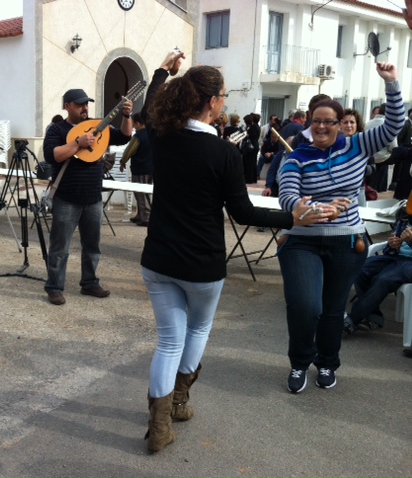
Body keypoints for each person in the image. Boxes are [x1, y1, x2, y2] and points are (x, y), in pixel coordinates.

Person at [138, 51, 324, 453]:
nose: (226, 100)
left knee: (168, 341)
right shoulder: (223, 152)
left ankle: (159, 425)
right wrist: (295, 220)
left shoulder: (162, 135)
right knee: (197, 330)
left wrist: (162, 71)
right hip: (201, 265)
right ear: (211, 102)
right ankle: (179, 402)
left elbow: (148, 107)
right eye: (223, 94)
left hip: (157, 259)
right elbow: (242, 212)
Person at [277, 62, 405, 394]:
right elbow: (288, 196)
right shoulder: (297, 157)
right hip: (302, 242)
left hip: (346, 243)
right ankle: (299, 362)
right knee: (306, 306)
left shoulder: (357, 146)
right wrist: (315, 209)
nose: (322, 126)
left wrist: (391, 83)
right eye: (316, 121)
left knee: (333, 311)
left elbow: (394, 123)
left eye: (329, 121)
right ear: (309, 124)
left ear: (339, 125)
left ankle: (327, 363)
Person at [42, 88, 133, 305]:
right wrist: (77, 144)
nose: (85, 108)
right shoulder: (57, 129)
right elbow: (52, 155)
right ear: (67, 106)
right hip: (66, 197)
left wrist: (127, 115)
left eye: (86, 104)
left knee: (92, 245)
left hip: (93, 197)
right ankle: (54, 287)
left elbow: (124, 136)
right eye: (79, 104)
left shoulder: (97, 125)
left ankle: (90, 282)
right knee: (59, 247)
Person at [344, 205, 412, 334]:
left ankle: (352, 319)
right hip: (396, 257)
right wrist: (392, 244)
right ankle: (374, 317)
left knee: (384, 279)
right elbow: (390, 247)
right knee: (360, 269)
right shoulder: (405, 214)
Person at [119, 112, 153, 226]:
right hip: (152, 169)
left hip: (140, 168)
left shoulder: (138, 136)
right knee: (147, 193)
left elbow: (129, 150)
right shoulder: (152, 134)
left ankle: (145, 217)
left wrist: (123, 161)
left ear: (138, 123)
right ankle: (140, 214)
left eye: (133, 124)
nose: (132, 126)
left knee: (140, 193)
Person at [241, 113, 260, 184]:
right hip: (255, 146)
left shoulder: (253, 127)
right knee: (253, 163)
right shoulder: (257, 126)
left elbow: (251, 136)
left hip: (251, 147)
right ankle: (253, 178)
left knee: (249, 163)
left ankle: (249, 179)